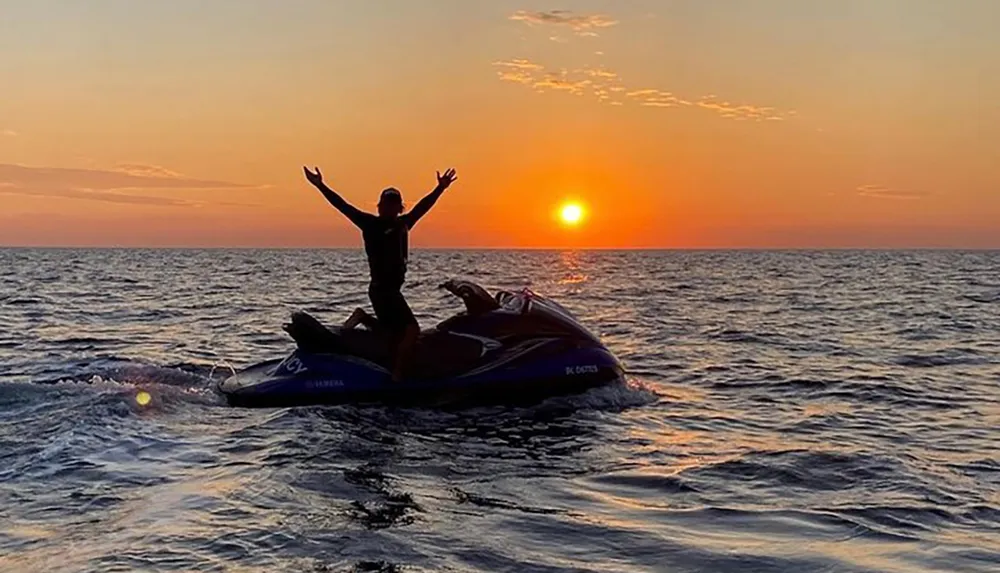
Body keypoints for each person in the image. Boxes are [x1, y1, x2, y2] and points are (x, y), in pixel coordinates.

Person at [302, 165, 458, 382]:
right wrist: (321, 185)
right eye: (386, 204)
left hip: (389, 290)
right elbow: (342, 206)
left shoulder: (404, 224)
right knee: (412, 330)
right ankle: (397, 375)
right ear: (379, 206)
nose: (390, 208)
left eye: (394, 205)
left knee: (392, 335)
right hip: (384, 291)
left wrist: (440, 189)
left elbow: (423, 207)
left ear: (399, 208)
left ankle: (362, 317)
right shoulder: (370, 224)